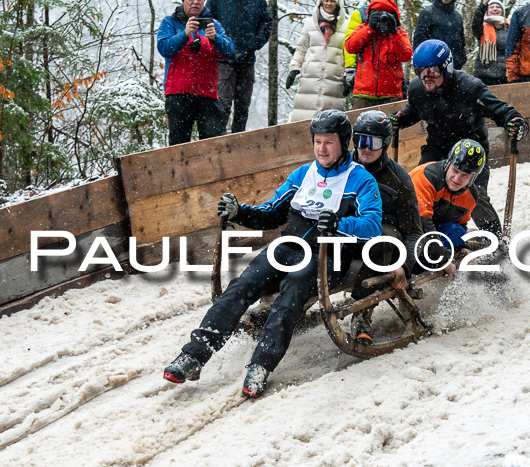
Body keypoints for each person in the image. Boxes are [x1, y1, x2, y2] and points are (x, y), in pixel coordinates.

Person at [163, 110, 382, 398]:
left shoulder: (360, 180)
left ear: (343, 143)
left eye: (328, 142)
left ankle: (261, 365)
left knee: (290, 295)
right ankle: (194, 354)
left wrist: (340, 223)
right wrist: (240, 212)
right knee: (243, 285)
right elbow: (271, 212)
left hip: (327, 255)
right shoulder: (303, 174)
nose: (321, 149)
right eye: (317, 142)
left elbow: (372, 225)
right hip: (289, 246)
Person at [391, 39, 528, 240]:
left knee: (476, 194)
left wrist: (516, 122)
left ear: (446, 69)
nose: (426, 78)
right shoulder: (417, 89)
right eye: (420, 71)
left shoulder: (469, 88)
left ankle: (496, 242)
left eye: (433, 72)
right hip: (438, 149)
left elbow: (500, 110)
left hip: (471, 150)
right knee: (416, 188)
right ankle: (419, 238)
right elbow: (414, 110)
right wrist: (401, 119)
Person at [348, 110, 423, 344]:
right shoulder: (340, 167)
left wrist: (406, 266)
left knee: (382, 240)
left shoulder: (398, 179)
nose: (365, 147)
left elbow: (413, 231)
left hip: (382, 237)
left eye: (374, 142)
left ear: (386, 144)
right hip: (345, 231)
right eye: (360, 140)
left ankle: (361, 314)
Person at [157, 0, 235, 146]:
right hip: (178, 95)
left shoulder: (213, 25)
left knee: (213, 146)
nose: (195, 2)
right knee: (179, 146)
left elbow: (230, 52)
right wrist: (184, 34)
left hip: (207, 95)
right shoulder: (170, 22)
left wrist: (215, 38)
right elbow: (164, 48)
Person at [409, 139, 487, 272]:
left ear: (473, 178)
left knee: (457, 232)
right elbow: (421, 222)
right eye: (455, 171)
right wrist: (442, 259)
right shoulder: (425, 177)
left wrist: (461, 248)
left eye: (464, 175)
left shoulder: (471, 195)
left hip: (435, 229)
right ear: (448, 164)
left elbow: (460, 225)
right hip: (410, 227)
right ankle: (418, 267)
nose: (457, 179)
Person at [206, 0, 271, 134]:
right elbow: (207, 21)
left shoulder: (259, 2)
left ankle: (238, 142)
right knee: (222, 104)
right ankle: (218, 142)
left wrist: (254, 42)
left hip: (247, 61)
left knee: (243, 107)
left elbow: (267, 22)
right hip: (223, 60)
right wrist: (219, 42)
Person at [344, 0, 413, 110]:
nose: (382, 19)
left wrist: (394, 33)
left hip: (391, 94)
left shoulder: (398, 34)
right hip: (364, 93)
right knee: (360, 126)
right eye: (378, 14)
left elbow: (406, 56)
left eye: (387, 14)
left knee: (391, 126)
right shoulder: (363, 29)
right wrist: (369, 28)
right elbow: (350, 46)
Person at [286, 0, 348, 121]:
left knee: (331, 124)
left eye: (332, 1)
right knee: (303, 121)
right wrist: (294, 68)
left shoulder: (346, 26)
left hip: (334, 80)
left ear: (338, 3)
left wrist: (347, 75)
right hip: (310, 79)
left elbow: (348, 54)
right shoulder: (309, 23)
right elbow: (301, 48)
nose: (328, 4)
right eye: (326, 0)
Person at [412, 0, 467, 71]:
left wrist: (461, 60)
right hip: (432, 68)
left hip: (454, 67)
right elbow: (419, 41)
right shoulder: (427, 13)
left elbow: (461, 42)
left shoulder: (457, 16)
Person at [471, 0, 509, 86]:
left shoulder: (509, 27)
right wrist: (483, 5)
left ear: (502, 11)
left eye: (498, 7)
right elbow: (476, 22)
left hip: (504, 75)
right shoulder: (481, 28)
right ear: (487, 11)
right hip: (484, 75)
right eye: (491, 7)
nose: (495, 9)